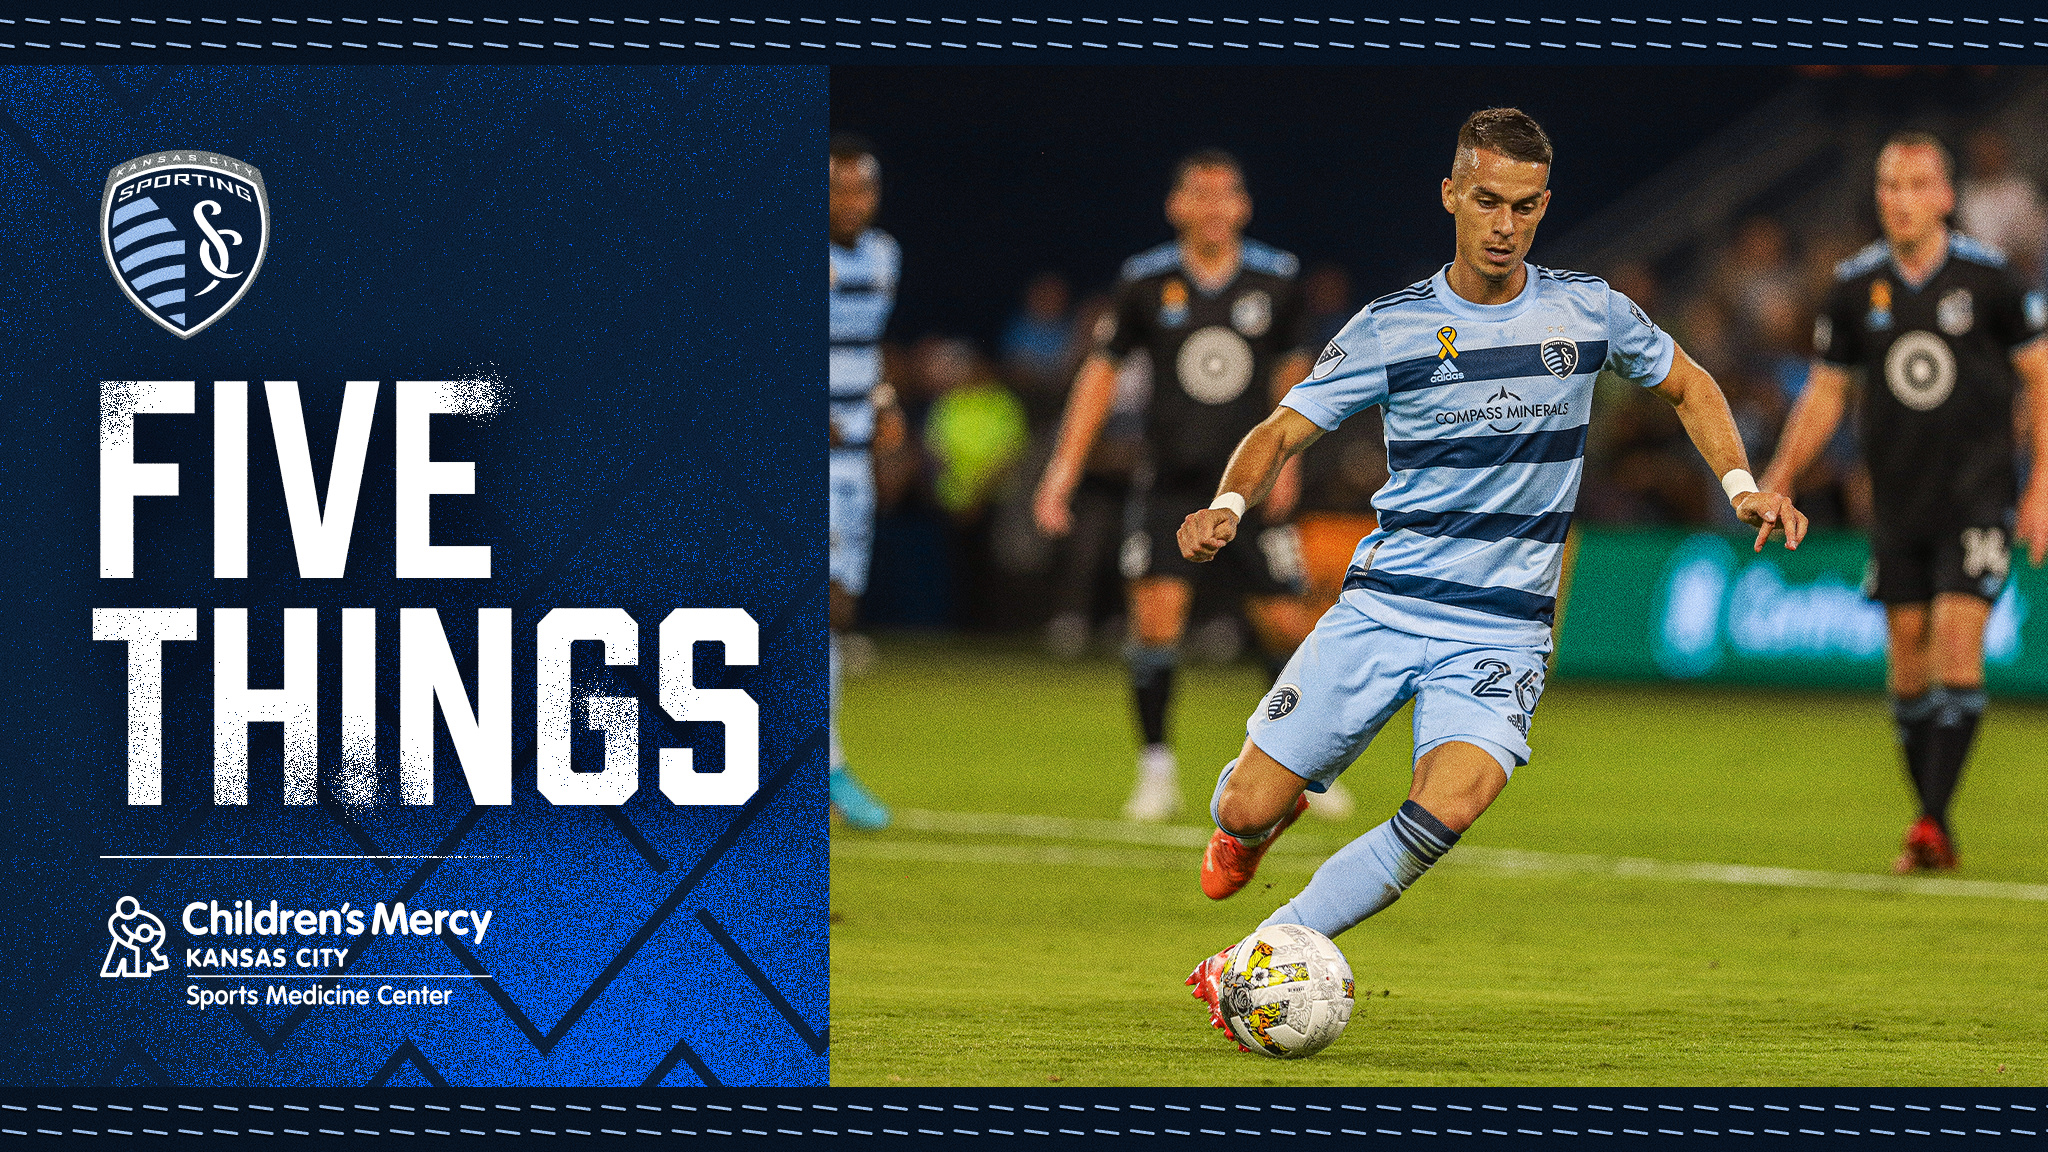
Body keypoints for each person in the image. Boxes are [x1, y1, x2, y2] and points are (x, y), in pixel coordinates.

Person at [1175, 108, 1807, 1045]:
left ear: (1543, 206)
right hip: (1386, 607)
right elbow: (1280, 430)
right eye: (1485, 201)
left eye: (1523, 206)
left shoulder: (1587, 311)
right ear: (1451, 196)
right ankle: (1253, 823)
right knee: (1243, 803)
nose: (1504, 224)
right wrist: (1228, 504)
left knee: (1453, 803)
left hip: (1503, 630)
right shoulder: (1392, 327)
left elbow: (1689, 383)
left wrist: (1742, 486)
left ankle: (1257, 951)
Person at [1761, 131, 2048, 873]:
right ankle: (1934, 825)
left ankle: (1928, 822)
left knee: (1955, 638)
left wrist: (2042, 484)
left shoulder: (1992, 281)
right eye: (1890, 185)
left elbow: (2040, 378)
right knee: (1907, 660)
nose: (1902, 200)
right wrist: (1780, 475)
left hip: (1978, 494)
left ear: (1946, 197)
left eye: (1917, 185)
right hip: (1897, 502)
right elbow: (1827, 392)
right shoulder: (1855, 288)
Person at [1032, 149, 1326, 822]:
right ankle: (1157, 769)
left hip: (1249, 486)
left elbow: (1294, 375)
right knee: (1155, 623)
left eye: (1226, 194)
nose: (1213, 207)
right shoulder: (1145, 281)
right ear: (1176, 206)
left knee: (1287, 626)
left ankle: (1298, 766)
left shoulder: (1277, 279)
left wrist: (1290, 462)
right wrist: (1062, 470)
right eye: (1200, 194)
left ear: (1243, 206)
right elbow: (1101, 375)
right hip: (1168, 483)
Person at [828, 134, 908, 830]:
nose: (851, 201)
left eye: (862, 189)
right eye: (837, 189)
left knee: (842, 608)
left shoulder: (884, 256)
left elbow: (868, 346)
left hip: (853, 457)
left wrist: (883, 403)